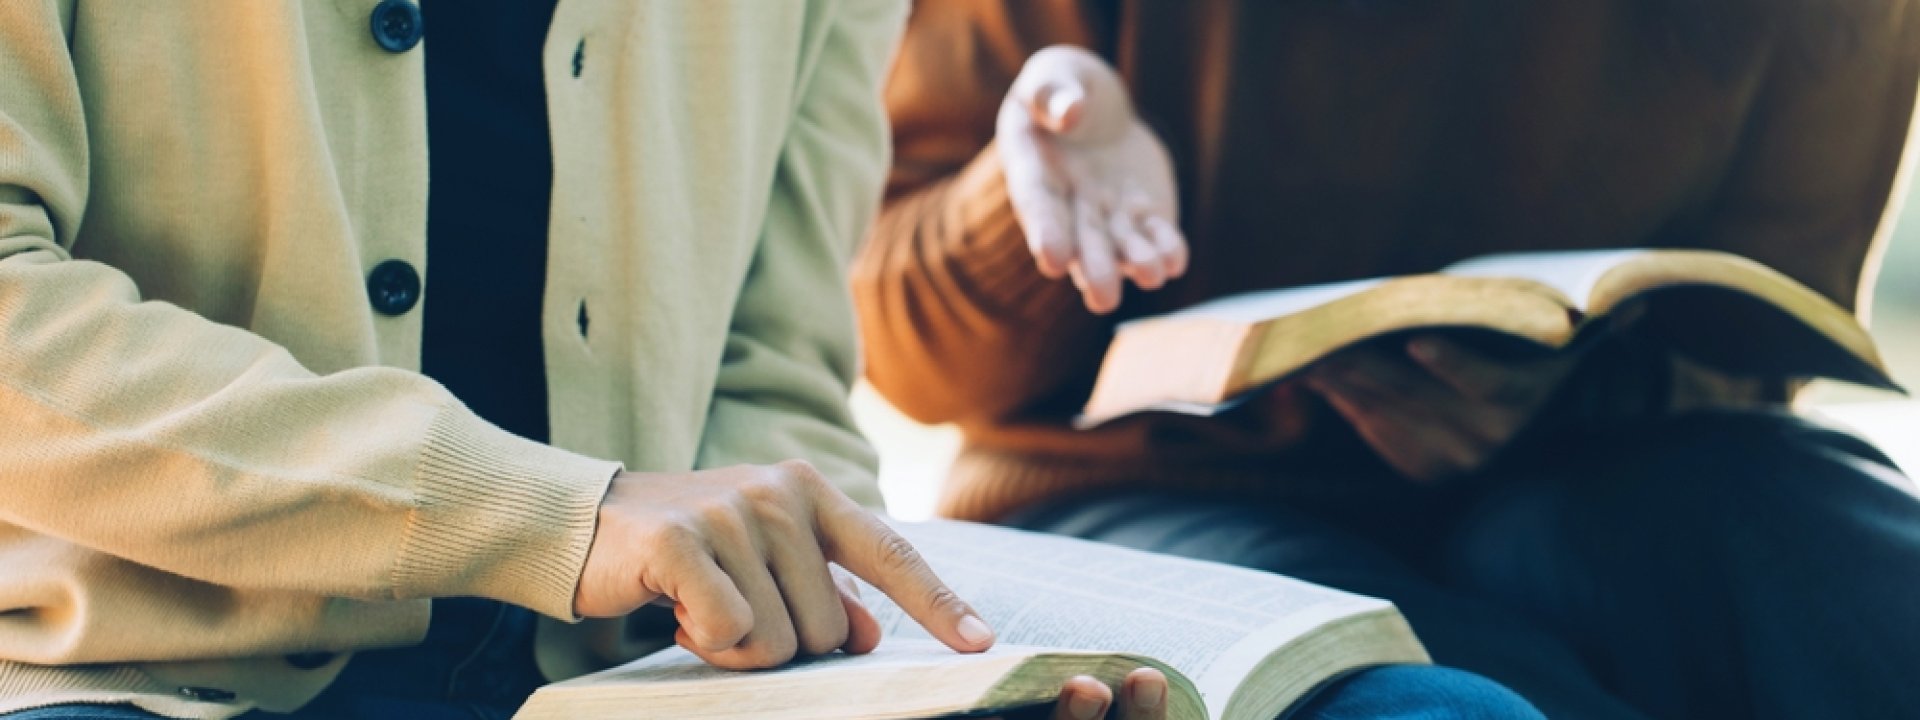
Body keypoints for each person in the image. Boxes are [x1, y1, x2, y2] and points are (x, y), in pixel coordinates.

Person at [0, 2, 1544, 719]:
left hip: (643, 685)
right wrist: (570, 514)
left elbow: (776, 375)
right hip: (149, 678)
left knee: (1439, 717)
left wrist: (905, 678)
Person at [853, 1, 1920, 718]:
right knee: (1450, 704)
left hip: (1616, 461)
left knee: (1862, 600)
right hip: (1140, 484)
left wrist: (1561, 395)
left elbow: (1765, 332)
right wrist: (1029, 196)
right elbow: (908, 357)